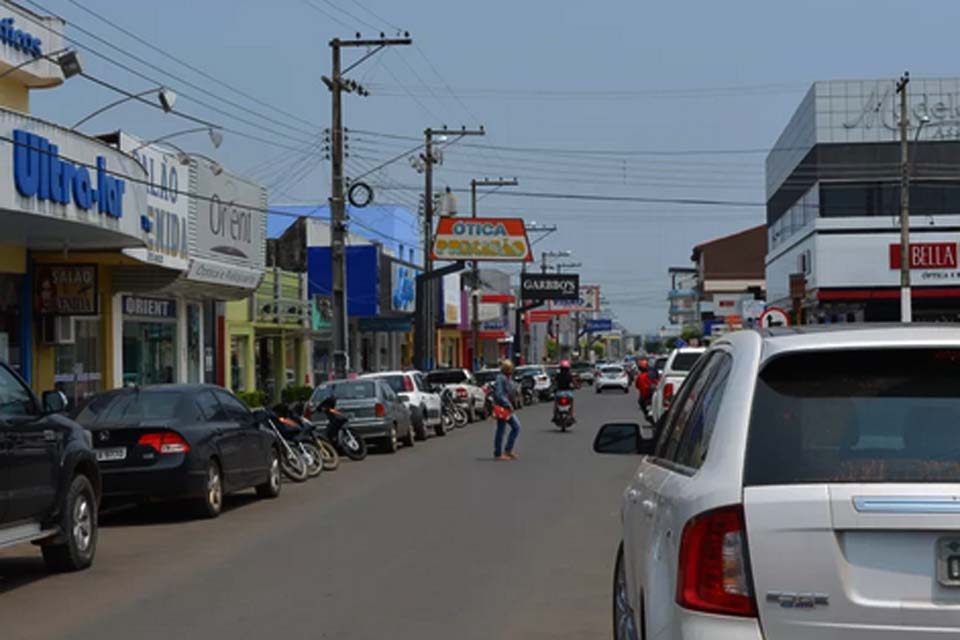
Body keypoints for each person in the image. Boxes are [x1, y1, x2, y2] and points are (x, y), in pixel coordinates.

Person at [493, 359, 521, 460]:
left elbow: (511, 391)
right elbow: (499, 394)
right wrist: (508, 404)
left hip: (507, 407)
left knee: (515, 427)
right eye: (510, 368)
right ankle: (498, 453)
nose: (512, 370)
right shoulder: (500, 378)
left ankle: (508, 450)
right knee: (502, 430)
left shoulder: (508, 378)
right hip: (503, 407)